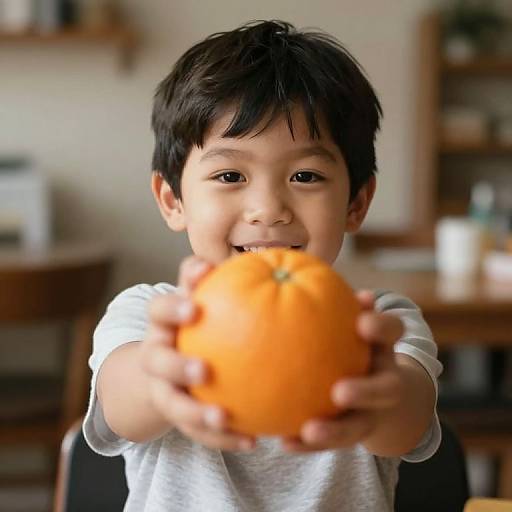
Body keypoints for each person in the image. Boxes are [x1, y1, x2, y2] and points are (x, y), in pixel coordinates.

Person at [83, 20, 443, 511]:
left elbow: (407, 421)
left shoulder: (380, 324)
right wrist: (160, 374)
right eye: (230, 174)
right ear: (173, 200)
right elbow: (123, 408)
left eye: (306, 175)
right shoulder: (152, 315)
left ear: (356, 203)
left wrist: (376, 395)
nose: (268, 208)